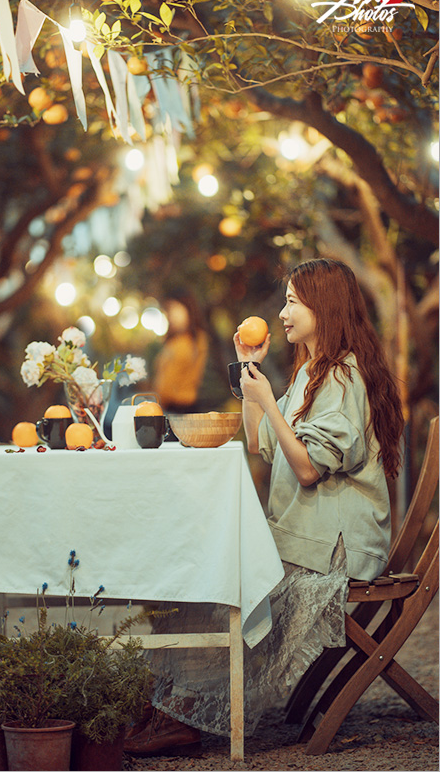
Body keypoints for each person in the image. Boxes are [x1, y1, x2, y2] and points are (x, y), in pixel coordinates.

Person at [125, 258, 405, 756]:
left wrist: (269, 401)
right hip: (306, 538)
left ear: (324, 307)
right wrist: (249, 374)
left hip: (333, 552)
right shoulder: (313, 372)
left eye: (293, 301)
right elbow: (260, 442)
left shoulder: (341, 379)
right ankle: (171, 704)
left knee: (215, 580)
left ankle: (188, 712)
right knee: (203, 569)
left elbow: (308, 468)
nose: (282, 313)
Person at [153, 291, 209, 414]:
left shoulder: (196, 340)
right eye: (168, 310)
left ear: (188, 308)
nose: (171, 315)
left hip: (184, 408)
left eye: (175, 309)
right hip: (165, 407)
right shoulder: (173, 341)